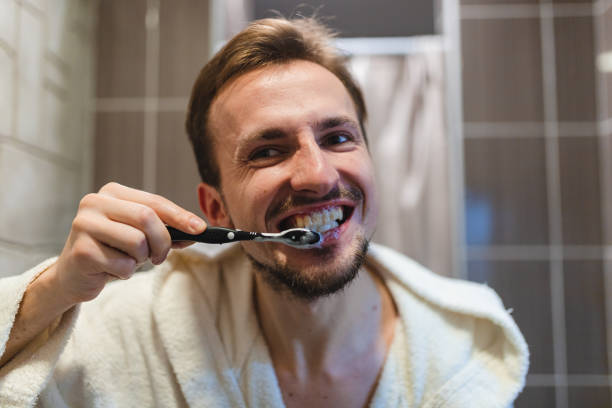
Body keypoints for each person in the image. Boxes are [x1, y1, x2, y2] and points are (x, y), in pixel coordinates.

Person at [0, 17, 528, 407]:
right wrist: (56, 290)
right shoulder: (139, 330)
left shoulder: (461, 348)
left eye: (338, 137)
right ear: (215, 207)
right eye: (267, 151)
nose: (319, 175)